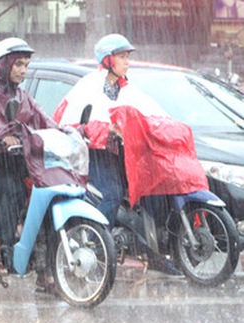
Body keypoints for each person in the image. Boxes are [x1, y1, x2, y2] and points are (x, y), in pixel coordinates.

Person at [52, 33, 181, 275]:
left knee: (150, 191)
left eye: (127, 57)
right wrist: (106, 130)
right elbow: (69, 123)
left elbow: (145, 112)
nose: (127, 62)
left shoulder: (124, 89)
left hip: (121, 153)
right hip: (95, 153)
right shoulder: (90, 86)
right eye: (122, 57)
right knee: (111, 194)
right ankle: (97, 249)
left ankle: (151, 251)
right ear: (108, 59)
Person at [0, 37, 75, 290]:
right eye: (18, 65)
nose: (23, 70)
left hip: (21, 161)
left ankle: (45, 268)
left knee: (48, 195)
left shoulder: (23, 96)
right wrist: (1, 135)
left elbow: (42, 119)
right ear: (4, 64)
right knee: (14, 191)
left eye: (26, 65)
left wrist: (67, 133)